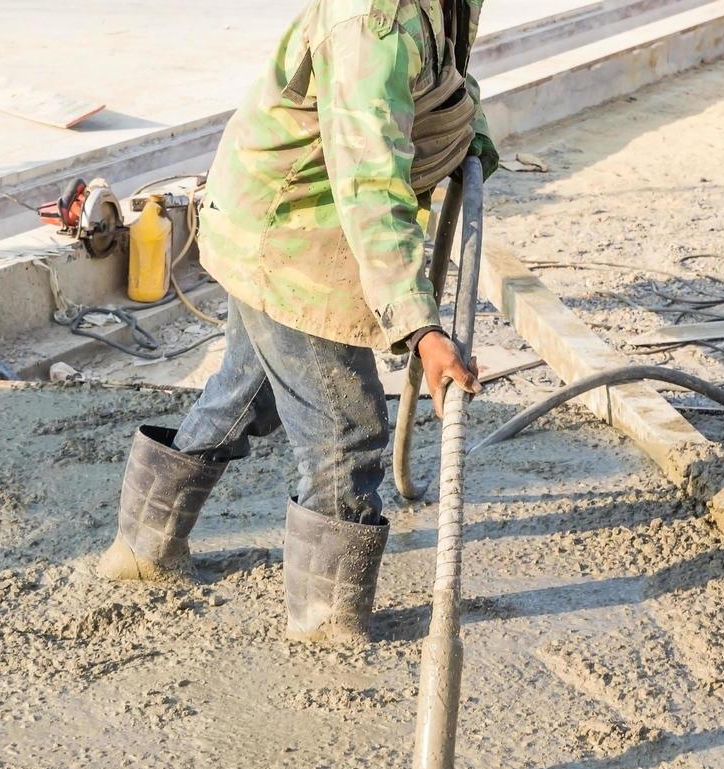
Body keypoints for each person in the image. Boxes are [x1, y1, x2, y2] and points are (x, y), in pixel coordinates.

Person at [98, 0, 499, 644]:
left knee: (245, 396)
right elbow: (369, 184)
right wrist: (420, 328)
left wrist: (465, 126)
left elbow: (445, 67)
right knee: (346, 433)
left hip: (291, 222)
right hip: (290, 235)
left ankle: (142, 552)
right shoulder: (372, 26)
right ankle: (325, 627)